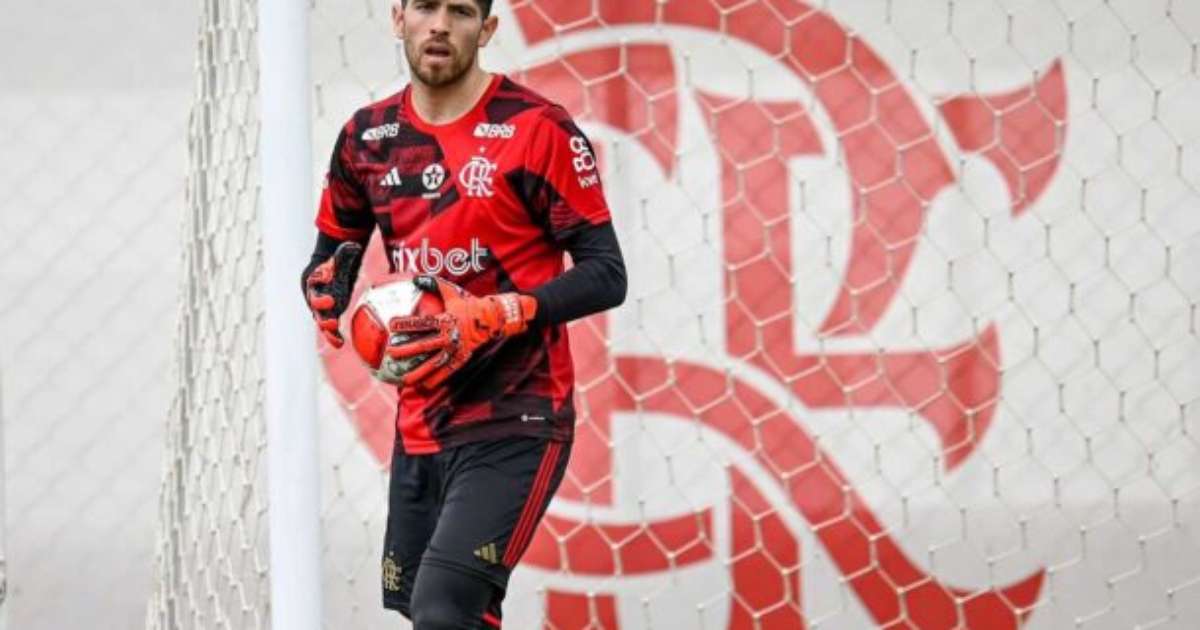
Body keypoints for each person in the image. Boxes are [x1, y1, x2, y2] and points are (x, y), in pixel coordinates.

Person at [300, 0, 627, 627]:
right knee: (443, 613)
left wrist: (500, 312)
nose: (440, 24)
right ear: (398, 18)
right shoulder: (368, 138)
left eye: (460, 10)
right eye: (425, 6)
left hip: (518, 414)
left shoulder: (537, 129)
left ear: (488, 28)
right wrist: (326, 287)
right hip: (421, 419)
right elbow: (330, 253)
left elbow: (606, 273)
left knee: (442, 609)